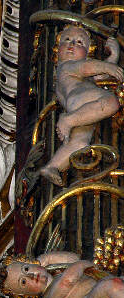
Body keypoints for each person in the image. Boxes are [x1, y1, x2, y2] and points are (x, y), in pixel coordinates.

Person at [40, 25, 123, 186]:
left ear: (87, 51)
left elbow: (98, 76)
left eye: (79, 42)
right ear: (57, 49)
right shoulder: (68, 65)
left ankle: (53, 166)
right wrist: (109, 67)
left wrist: (113, 56)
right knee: (112, 102)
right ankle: (68, 120)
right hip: (82, 100)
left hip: (81, 107)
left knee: (79, 143)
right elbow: (87, 67)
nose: (72, 44)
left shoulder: (71, 73)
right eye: (67, 40)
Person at [0, 251, 124, 298]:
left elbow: (73, 258)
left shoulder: (57, 273)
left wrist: (45, 260)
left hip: (99, 282)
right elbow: (66, 282)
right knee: (112, 286)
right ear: (26, 295)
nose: (31, 276)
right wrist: (82, 265)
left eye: (26, 268)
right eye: (23, 282)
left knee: (115, 284)